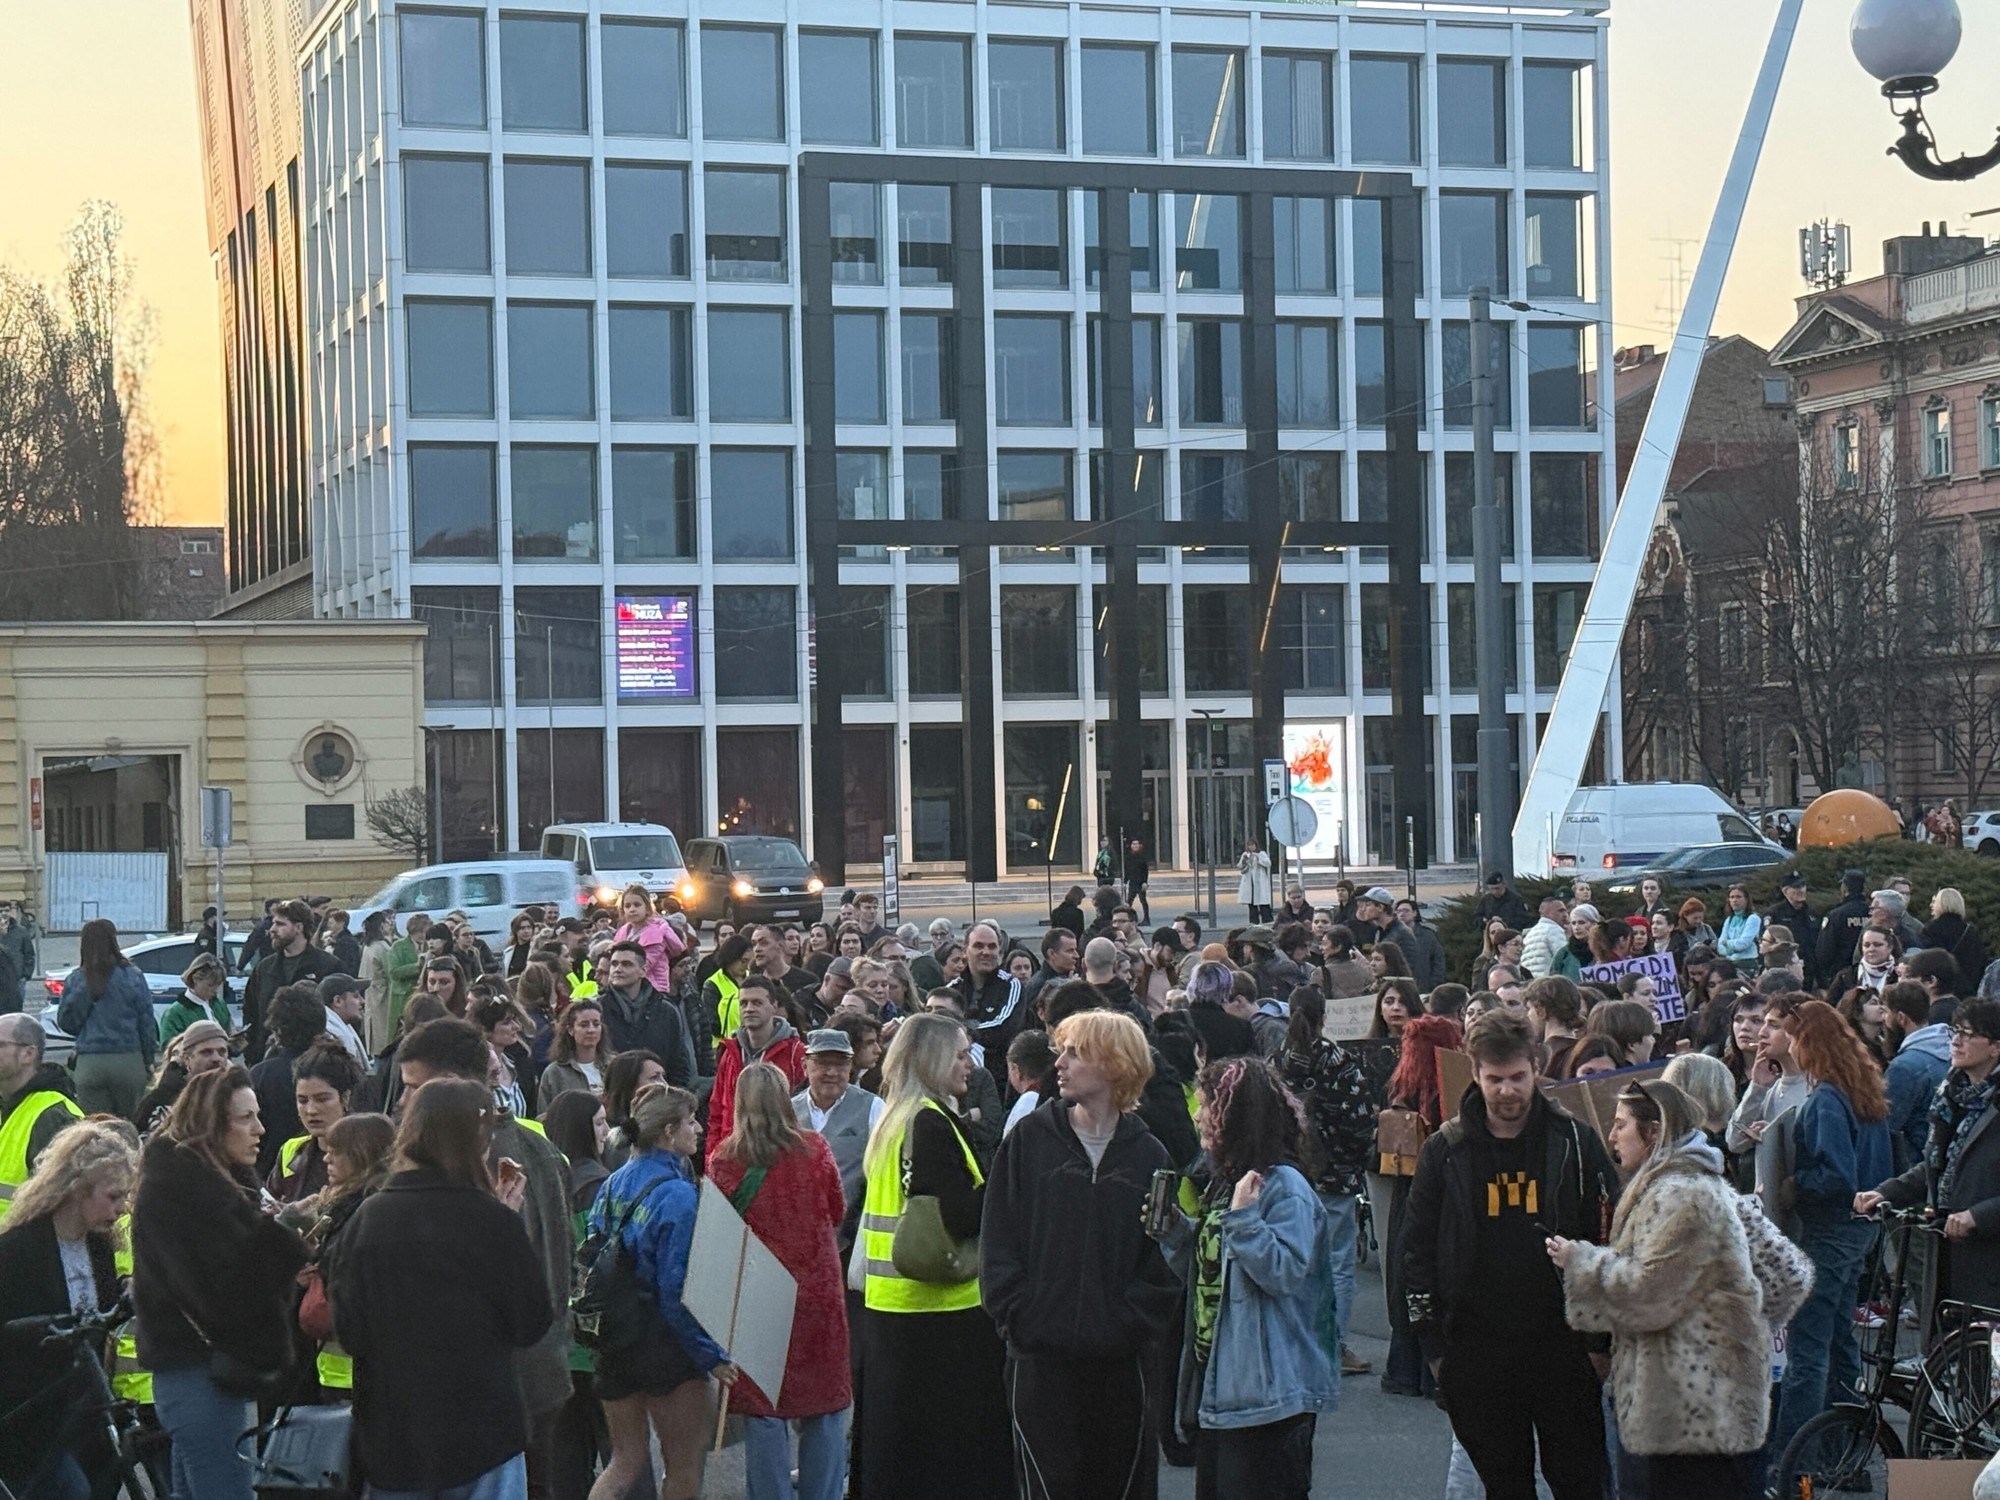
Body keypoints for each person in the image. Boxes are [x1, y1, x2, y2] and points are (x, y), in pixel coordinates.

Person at [1401, 1008, 1618, 1500]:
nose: (1507, 1090)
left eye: (1518, 1077)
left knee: (1581, 1484)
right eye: (1495, 1078)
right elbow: (1416, 1252)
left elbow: (1609, 1240)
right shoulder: (1446, 1150)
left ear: (1536, 1069)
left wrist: (1599, 1344)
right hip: (1476, 1352)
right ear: (1474, 1074)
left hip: (1563, 1348)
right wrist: (1435, 1350)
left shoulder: (1575, 1142)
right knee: (1505, 1486)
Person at [1551, 1079, 1798, 1500]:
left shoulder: (1678, 1195)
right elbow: (1788, 1276)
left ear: (1654, 1133)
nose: (1611, 1135)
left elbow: (1648, 1293)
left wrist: (1581, 1262)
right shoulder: (1705, 1184)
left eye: (1620, 1125)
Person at [982, 1009, 1179, 1500]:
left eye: (1075, 1053)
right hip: (1040, 1357)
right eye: (1060, 1052)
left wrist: (1128, 1322)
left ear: (1114, 1064)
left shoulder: (1149, 1155)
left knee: (1119, 1487)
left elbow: (1162, 1260)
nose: (1060, 1065)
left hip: (1119, 1364)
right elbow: (998, 1239)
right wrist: (1021, 1317)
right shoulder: (1029, 1141)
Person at [329, 1077, 552, 1499]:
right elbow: (531, 1322)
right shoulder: (491, 1221)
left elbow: (351, 1330)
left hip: (394, 1435)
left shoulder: (368, 1218)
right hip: (482, 1430)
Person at [396, 1018, 575, 1487]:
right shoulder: (538, 1147)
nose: (401, 1102)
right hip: (540, 1372)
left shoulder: (480, 1160)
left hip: (497, 1382)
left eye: (413, 1088)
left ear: (450, 1085)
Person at [1150, 1056, 1334, 1500]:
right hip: (1226, 1389)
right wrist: (1177, 1231)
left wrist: (1246, 1218)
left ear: (1235, 1115)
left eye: (1208, 1106)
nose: (1198, 1116)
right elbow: (1216, 1270)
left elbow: (1285, 1273)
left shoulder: (1284, 1187)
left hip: (1270, 1398)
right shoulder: (1227, 1182)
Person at [131, 1065, 307, 1500]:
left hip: (194, 1370)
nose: (260, 1129)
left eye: (258, 1116)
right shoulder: (187, 1192)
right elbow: (228, 1293)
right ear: (212, 1123)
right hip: (197, 1373)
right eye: (245, 1118)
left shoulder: (206, 1181)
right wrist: (285, 1240)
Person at [855, 1013, 1010, 1500]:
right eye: (962, 1053)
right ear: (934, 1057)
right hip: (940, 1313)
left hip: (890, 1309)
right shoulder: (929, 1120)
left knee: (896, 1453)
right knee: (947, 1458)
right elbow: (956, 1214)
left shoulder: (893, 1117)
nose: (970, 1064)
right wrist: (1006, 1188)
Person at [588, 1083, 740, 1500]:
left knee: (623, 1463)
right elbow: (677, 1292)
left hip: (615, 1339)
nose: (699, 1128)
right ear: (669, 1132)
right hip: (667, 1346)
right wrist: (712, 1357)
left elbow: (593, 1251)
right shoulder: (679, 1196)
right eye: (691, 1121)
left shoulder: (613, 1183)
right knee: (683, 1467)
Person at [707, 1064, 852, 1500]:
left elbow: (718, 1236)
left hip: (758, 1297)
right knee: (825, 1405)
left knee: (765, 1409)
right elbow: (837, 1209)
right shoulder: (815, 1149)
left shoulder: (724, 1159)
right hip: (818, 1296)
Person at [1768, 999, 1894, 1469]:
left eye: (1795, 1038)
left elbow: (1837, 1176)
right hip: (1859, 1231)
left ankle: (1792, 1463)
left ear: (1809, 1043)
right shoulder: (1861, 1088)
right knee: (1840, 1344)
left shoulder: (1825, 1099)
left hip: (1830, 1232)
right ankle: (1846, 1457)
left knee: (1808, 1354)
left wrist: (1795, 1183)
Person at [0, 1118, 134, 1495]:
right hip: (31, 1415)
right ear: (78, 1189)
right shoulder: (18, 1251)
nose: (122, 1208)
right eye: (113, 1196)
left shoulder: (100, 1249)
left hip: (87, 1409)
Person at [1279, 984, 1375, 1378]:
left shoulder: (1278, 1061)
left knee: (1294, 1260)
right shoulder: (1339, 1062)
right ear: (1324, 1018)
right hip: (1334, 1174)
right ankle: (1331, 1343)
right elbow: (1359, 1120)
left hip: (1291, 1174)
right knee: (1337, 1263)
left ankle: (1292, 1341)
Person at [791, 1027, 883, 1257]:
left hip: (849, 1243)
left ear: (851, 1067)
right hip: (796, 1240)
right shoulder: (787, 1111)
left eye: (841, 1064)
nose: (831, 1072)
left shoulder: (873, 1108)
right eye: (822, 1063)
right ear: (805, 1066)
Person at [56, 919, 157, 1116]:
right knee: (130, 1127)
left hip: (90, 1064)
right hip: (128, 1061)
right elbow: (147, 1024)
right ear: (113, 941)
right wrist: (148, 1060)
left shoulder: (77, 978)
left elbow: (66, 1023)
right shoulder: (133, 975)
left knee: (95, 1133)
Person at [706, 975, 807, 1161]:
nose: (749, 1009)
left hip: (778, 1155)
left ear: (774, 1006)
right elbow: (717, 1112)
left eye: (757, 1003)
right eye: (743, 1003)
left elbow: (804, 1111)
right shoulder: (729, 1052)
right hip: (732, 1154)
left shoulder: (796, 1052)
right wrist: (712, 1156)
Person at [0, 1010, 83, 1205]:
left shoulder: (52, 1115)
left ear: (28, 1054)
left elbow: (61, 1201)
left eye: (0, 1045)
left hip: (22, 1233)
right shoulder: (6, 1102)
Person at [267, 1038, 364, 1203]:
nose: (311, 1110)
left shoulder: (368, 1152)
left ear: (345, 1098)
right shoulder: (291, 1151)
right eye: (302, 1101)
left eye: (322, 1099)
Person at [241, 900, 337, 1066]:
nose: (272, 930)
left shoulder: (328, 966)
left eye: (280, 924)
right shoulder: (264, 968)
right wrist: (252, 1055)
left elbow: (340, 1014)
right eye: (273, 924)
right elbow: (251, 1014)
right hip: (268, 1062)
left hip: (314, 1063)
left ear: (298, 928)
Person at [597, 940, 697, 1087]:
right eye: (614, 964)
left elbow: (679, 1063)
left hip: (657, 1096)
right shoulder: (598, 1009)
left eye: (626, 964)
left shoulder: (665, 1010)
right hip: (614, 1097)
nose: (618, 969)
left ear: (643, 970)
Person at [948, 922, 1027, 1091]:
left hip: (999, 1081)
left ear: (1000, 951)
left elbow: (1002, 1028)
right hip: (955, 1079)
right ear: (965, 951)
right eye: (978, 946)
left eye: (992, 947)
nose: (986, 952)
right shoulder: (952, 990)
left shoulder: (1011, 986)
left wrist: (963, 1031)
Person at [1884, 979, 1953, 1171]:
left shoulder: (1904, 1067)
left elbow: (1886, 1124)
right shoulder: (1948, 1047)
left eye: (1887, 1013)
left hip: (1914, 1165)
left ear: (1901, 1018)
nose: (1885, 1020)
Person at [132, 1019, 234, 1137]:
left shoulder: (235, 1094)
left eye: (222, 1052)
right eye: (206, 1052)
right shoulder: (162, 1100)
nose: (216, 1058)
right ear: (187, 1058)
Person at [538, 997, 610, 1115]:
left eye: (596, 1024)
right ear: (571, 1030)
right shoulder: (554, 1073)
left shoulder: (614, 1065)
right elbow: (543, 1115)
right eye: (584, 1025)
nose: (591, 1030)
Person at [1923, 888, 1988, 998]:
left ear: (1941, 904)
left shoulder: (1932, 930)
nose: (1931, 905)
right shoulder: (1970, 931)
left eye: (1934, 902)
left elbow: (1930, 962)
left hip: (1944, 990)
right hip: (1970, 991)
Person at [159, 952, 233, 1048]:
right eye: (210, 985)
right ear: (195, 979)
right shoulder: (175, 1012)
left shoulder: (219, 1005)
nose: (216, 990)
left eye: (218, 985)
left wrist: (235, 1045)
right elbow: (169, 1048)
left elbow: (228, 1035)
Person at [383, 912, 429, 1046]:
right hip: (402, 997)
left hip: (422, 997)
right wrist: (418, 966)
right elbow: (394, 972)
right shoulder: (398, 947)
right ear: (411, 931)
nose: (422, 936)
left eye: (425, 932)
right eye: (419, 932)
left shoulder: (429, 946)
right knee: (399, 1036)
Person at [1520, 895, 1569, 980]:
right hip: (1549, 983)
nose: (1565, 914)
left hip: (1531, 983)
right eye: (1560, 911)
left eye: (1565, 911)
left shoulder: (1530, 934)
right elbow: (1565, 958)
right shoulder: (1553, 930)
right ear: (1546, 913)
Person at [1237, 839, 1273, 924]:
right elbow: (1240, 866)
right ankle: (1254, 922)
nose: (1251, 847)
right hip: (1249, 881)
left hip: (1259, 881)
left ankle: (1267, 921)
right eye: (1249, 845)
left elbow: (1268, 863)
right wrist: (1244, 861)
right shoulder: (1245, 854)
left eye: (1252, 845)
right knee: (1251, 903)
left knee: (1263, 902)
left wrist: (1258, 857)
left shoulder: (1261, 854)